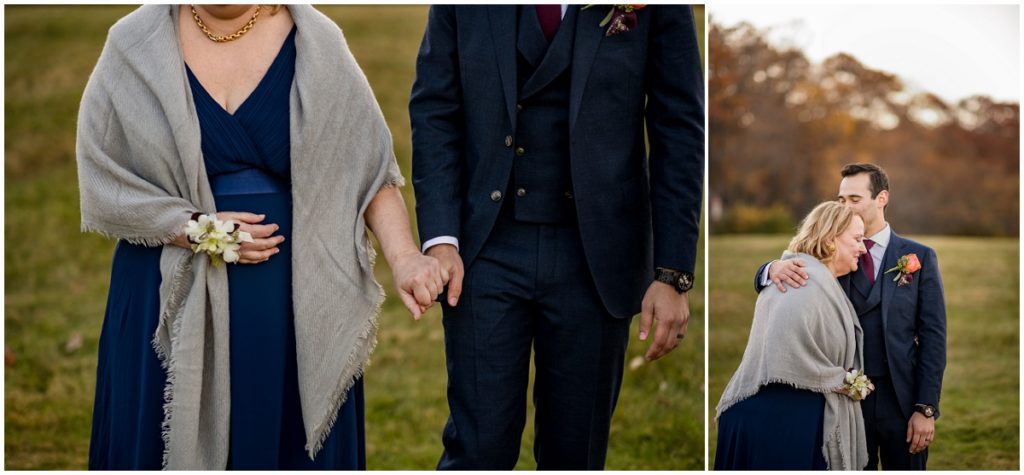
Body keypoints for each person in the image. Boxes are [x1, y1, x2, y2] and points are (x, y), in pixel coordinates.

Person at [78, 5, 444, 469]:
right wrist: (198, 231)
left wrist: (407, 257)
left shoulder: (316, 42)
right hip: (165, 297)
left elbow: (369, 173)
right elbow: (104, 179)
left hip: (291, 308)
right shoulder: (133, 44)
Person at [409, 5, 704, 470]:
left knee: (576, 455)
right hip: (485, 250)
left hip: (597, 259)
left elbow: (679, 130)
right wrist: (442, 240)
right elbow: (435, 110)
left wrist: (672, 272)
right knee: (478, 450)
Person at [754, 163, 947, 470]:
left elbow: (934, 337)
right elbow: (795, 258)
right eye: (841, 199)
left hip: (903, 400)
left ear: (882, 198)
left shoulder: (919, 256)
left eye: (854, 199)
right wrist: (769, 269)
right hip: (844, 399)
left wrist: (925, 408)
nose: (844, 206)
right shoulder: (829, 250)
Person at [715, 201, 869, 470]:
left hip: (791, 417)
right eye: (856, 239)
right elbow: (782, 348)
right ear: (831, 239)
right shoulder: (800, 281)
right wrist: (840, 380)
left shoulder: (813, 276)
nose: (863, 247)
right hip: (783, 426)